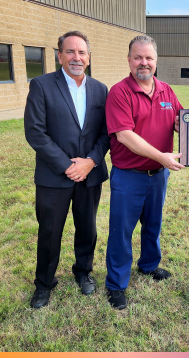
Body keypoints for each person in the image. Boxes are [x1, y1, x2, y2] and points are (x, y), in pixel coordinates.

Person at [24, 31, 110, 309]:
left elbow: (106, 133)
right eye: (70, 52)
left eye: (82, 52)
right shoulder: (41, 85)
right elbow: (35, 132)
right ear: (59, 55)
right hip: (53, 176)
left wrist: (90, 162)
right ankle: (44, 283)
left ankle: (83, 272)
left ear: (88, 57)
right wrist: (67, 166)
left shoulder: (100, 89)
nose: (77, 57)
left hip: (90, 175)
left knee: (87, 228)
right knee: (50, 231)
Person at [104, 35, 184, 310]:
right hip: (129, 176)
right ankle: (116, 284)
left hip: (158, 176)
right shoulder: (120, 92)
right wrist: (161, 156)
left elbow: (181, 122)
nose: (144, 63)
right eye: (138, 57)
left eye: (149, 58)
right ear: (129, 60)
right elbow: (125, 135)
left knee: (153, 225)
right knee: (121, 231)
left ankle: (149, 266)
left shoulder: (166, 91)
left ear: (156, 61)